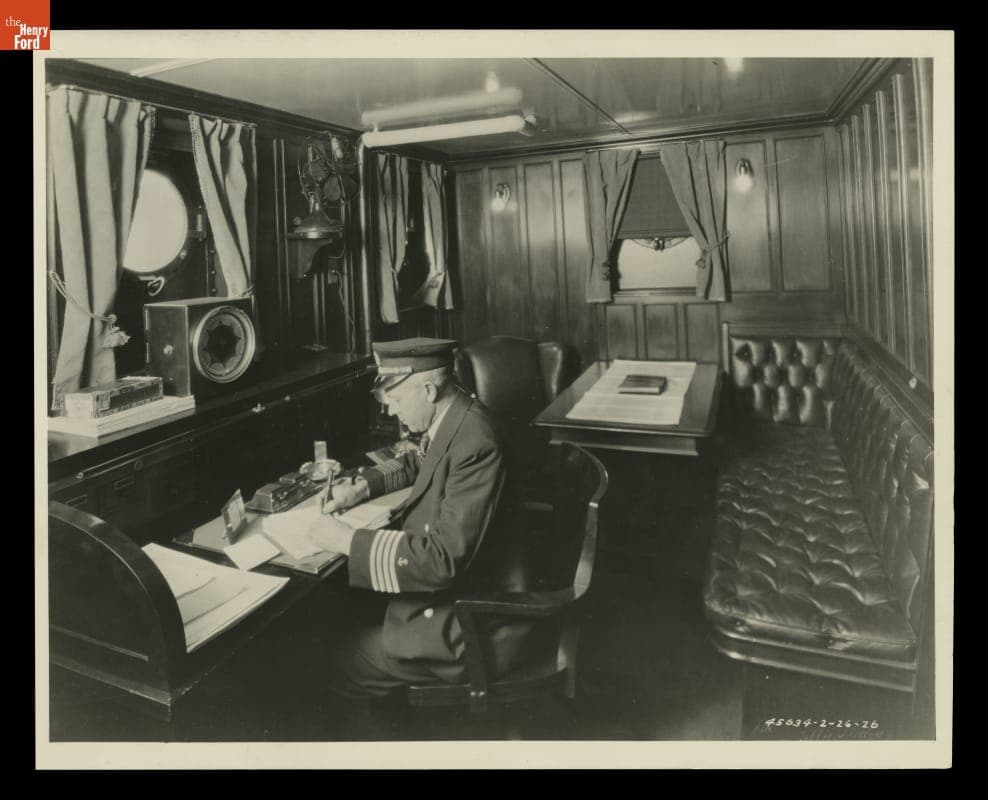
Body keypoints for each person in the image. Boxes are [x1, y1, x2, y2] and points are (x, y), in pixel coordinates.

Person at [305, 337, 531, 699]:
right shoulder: (457, 416)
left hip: (471, 627)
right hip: (459, 599)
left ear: (428, 390)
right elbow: (420, 460)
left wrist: (344, 541)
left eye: (394, 400)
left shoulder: (476, 442)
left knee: (331, 658)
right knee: (343, 615)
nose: (390, 412)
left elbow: (440, 561)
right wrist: (360, 488)